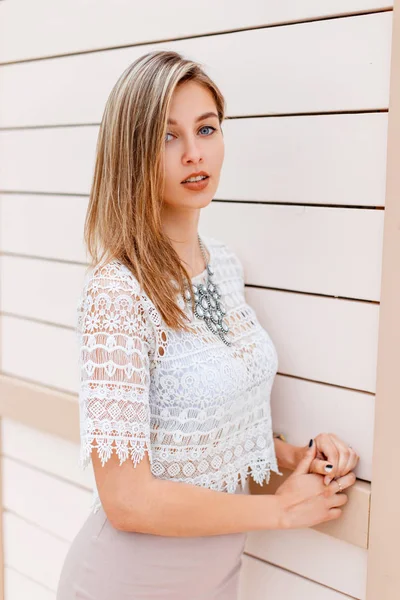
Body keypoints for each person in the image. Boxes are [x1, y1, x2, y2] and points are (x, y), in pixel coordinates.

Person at [56, 49, 359, 600]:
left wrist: (296, 457)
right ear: (134, 152)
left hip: (213, 581)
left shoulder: (224, 264)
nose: (195, 154)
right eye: (168, 136)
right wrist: (279, 511)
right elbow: (127, 500)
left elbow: (210, 440)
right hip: (125, 584)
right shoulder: (116, 292)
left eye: (206, 128)